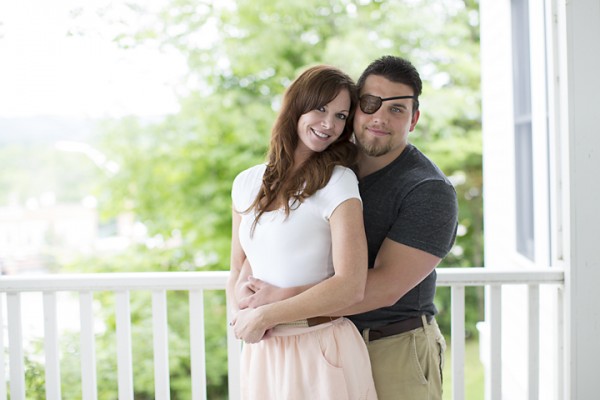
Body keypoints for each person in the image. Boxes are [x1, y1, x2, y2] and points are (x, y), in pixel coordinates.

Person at [238, 55, 458, 400]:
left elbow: (382, 287)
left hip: (392, 347)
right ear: (355, 109)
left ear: (413, 119)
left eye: (397, 110)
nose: (380, 118)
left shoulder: (429, 190)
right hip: (320, 343)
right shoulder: (327, 165)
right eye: (370, 104)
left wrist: (278, 301)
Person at [227, 65, 378, 399]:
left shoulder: (338, 182)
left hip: (319, 347)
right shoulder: (245, 183)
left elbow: (351, 287)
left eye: (340, 116)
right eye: (320, 108)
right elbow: (238, 267)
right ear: (296, 106)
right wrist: (240, 313)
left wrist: (266, 313)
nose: (329, 124)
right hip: (262, 352)